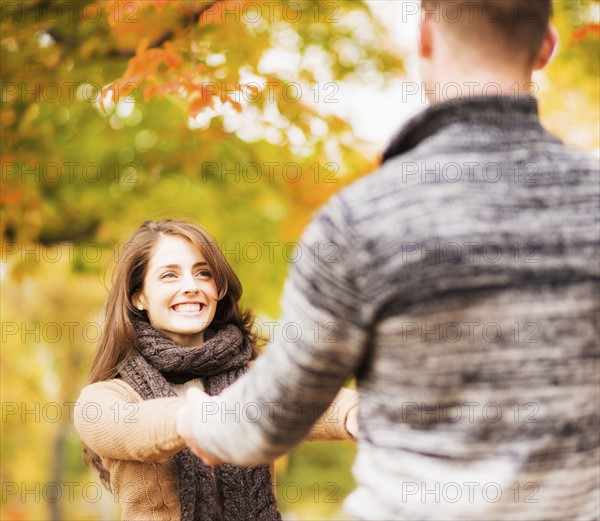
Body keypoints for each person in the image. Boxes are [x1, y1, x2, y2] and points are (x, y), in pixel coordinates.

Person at [177, 1, 600, 520]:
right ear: (546, 47)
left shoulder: (360, 220)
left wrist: (198, 415)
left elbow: (267, 422)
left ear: (424, 36)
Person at [73, 219, 358, 521]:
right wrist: (193, 418)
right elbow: (132, 426)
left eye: (203, 273)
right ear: (138, 296)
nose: (191, 287)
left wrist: (355, 413)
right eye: (169, 275)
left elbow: (305, 398)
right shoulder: (103, 398)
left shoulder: (253, 378)